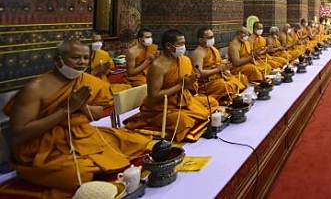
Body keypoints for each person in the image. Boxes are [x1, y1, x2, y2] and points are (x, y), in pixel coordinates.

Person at [4, 39, 151, 195]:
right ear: (57, 60)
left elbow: (96, 115)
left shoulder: (86, 82)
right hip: (44, 147)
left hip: (82, 135)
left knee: (137, 141)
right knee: (79, 174)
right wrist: (65, 110)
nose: (82, 62)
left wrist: (82, 106)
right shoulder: (35, 88)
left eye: (86, 58)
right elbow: (18, 134)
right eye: (76, 58)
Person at [125, 29, 217, 142]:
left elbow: (189, 86)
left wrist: (193, 82)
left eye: (184, 43)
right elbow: (154, 96)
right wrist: (182, 85)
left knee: (211, 102)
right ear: (169, 46)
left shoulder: (185, 60)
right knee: (183, 121)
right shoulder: (158, 66)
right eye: (180, 44)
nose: (184, 46)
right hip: (162, 108)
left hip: (184, 100)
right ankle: (156, 127)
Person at [189, 27, 245, 103]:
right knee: (224, 85)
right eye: (209, 37)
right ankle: (224, 99)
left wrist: (225, 66)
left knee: (241, 78)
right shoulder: (198, 53)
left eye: (212, 36)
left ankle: (229, 97)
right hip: (206, 83)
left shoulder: (213, 49)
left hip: (220, 76)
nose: (212, 39)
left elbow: (218, 63)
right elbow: (198, 74)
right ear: (200, 40)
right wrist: (218, 69)